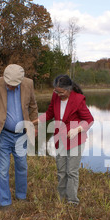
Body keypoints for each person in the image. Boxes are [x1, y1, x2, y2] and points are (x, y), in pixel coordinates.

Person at [0, 64, 38, 210]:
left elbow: (33, 106)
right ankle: (5, 202)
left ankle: (21, 196)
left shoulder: (28, 84)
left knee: (22, 166)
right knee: (3, 170)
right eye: (8, 84)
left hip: (21, 134)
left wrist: (34, 126)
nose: (10, 87)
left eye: (14, 85)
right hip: (2, 133)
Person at [34, 75, 94, 205]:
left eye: (61, 92)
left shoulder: (78, 99)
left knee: (71, 171)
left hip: (75, 139)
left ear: (68, 89)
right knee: (61, 171)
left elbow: (89, 120)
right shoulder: (55, 96)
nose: (58, 94)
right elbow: (50, 113)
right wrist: (38, 120)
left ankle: (72, 201)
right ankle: (61, 199)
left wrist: (77, 130)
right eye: (56, 91)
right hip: (60, 138)